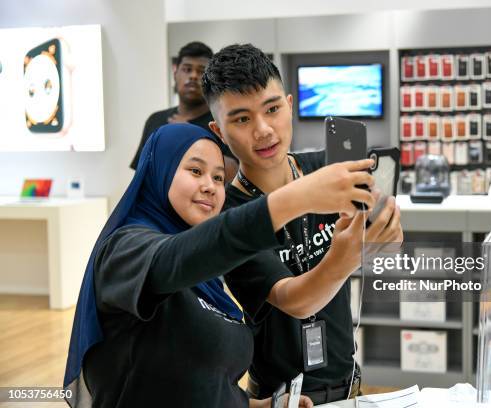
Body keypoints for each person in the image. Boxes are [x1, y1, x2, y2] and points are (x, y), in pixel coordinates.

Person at [63, 123, 377, 408]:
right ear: (159, 171)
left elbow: (204, 384)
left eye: (218, 177)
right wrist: (293, 201)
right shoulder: (126, 250)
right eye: (195, 171)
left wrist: (263, 406)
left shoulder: (207, 274)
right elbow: (180, 257)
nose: (211, 186)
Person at [203, 44, 404, 405]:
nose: (264, 130)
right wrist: (347, 255)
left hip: (348, 383)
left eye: (273, 109)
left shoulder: (327, 170)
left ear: (291, 105)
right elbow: (294, 300)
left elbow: (384, 249)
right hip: (284, 397)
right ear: (219, 130)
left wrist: (383, 234)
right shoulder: (229, 217)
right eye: (242, 119)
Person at [129, 41, 239, 179]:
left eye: (201, 71)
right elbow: (141, 174)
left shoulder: (222, 121)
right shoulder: (156, 120)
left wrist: (190, 137)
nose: (193, 76)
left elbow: (234, 172)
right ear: (175, 73)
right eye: (187, 69)